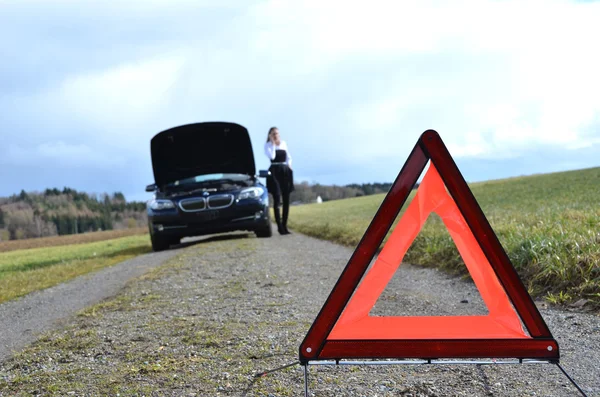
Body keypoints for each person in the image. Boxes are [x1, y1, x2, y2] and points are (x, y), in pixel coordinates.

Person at [264, 126, 294, 235]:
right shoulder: (267, 146)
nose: (276, 135)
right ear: (270, 135)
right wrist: (272, 144)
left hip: (285, 171)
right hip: (274, 172)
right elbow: (272, 156)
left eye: (277, 133)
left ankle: (285, 226)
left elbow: (288, 156)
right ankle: (279, 226)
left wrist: (289, 165)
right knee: (277, 198)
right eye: (274, 134)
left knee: (286, 199)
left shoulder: (283, 143)